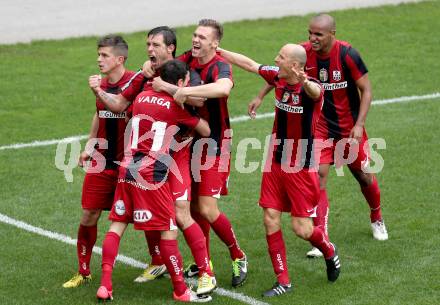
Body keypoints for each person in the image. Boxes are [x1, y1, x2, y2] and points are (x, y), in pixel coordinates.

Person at [250, 14, 388, 258]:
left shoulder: (347, 55)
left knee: (363, 176)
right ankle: (320, 236)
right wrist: (261, 95)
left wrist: (360, 124)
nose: (312, 38)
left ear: (332, 34)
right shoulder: (303, 53)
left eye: (318, 34)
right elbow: (280, 73)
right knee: (320, 177)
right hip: (320, 128)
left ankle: (376, 216)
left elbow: (366, 89)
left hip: (348, 129)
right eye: (310, 33)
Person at [93, 27, 216, 295]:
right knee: (160, 218)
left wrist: (167, 88)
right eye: (148, 44)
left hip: (173, 156)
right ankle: (166, 270)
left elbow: (200, 97)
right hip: (154, 163)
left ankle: (206, 271)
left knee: (180, 214)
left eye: (155, 45)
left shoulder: (183, 74)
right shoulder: (144, 76)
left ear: (170, 48)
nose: (150, 50)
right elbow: (119, 105)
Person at [217, 43, 341, 297]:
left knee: (302, 229)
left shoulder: (309, 88)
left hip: (300, 169)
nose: (276, 59)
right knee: (270, 218)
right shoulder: (278, 76)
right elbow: (250, 64)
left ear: (295, 65)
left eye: (281, 57)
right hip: (274, 162)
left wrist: (305, 82)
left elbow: (316, 92)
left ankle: (328, 250)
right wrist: (219, 50)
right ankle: (283, 280)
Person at [150, 19, 248, 288]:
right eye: (194, 35)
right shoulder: (187, 60)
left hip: (215, 143)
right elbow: (163, 65)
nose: (196, 40)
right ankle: (205, 263)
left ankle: (238, 255)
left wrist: (179, 91)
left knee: (206, 207)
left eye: (203, 37)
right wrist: (151, 63)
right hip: (189, 144)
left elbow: (223, 88)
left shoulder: (219, 65)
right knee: (191, 208)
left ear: (215, 43)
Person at [62, 35, 136, 288]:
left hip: (130, 165)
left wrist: (98, 91)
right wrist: (89, 144)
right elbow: (99, 112)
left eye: (104, 55)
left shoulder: (134, 84)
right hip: (102, 161)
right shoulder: (103, 84)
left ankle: (159, 262)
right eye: (98, 54)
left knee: (145, 219)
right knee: (88, 215)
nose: (99, 59)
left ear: (119, 59)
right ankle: (83, 271)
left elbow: (120, 108)